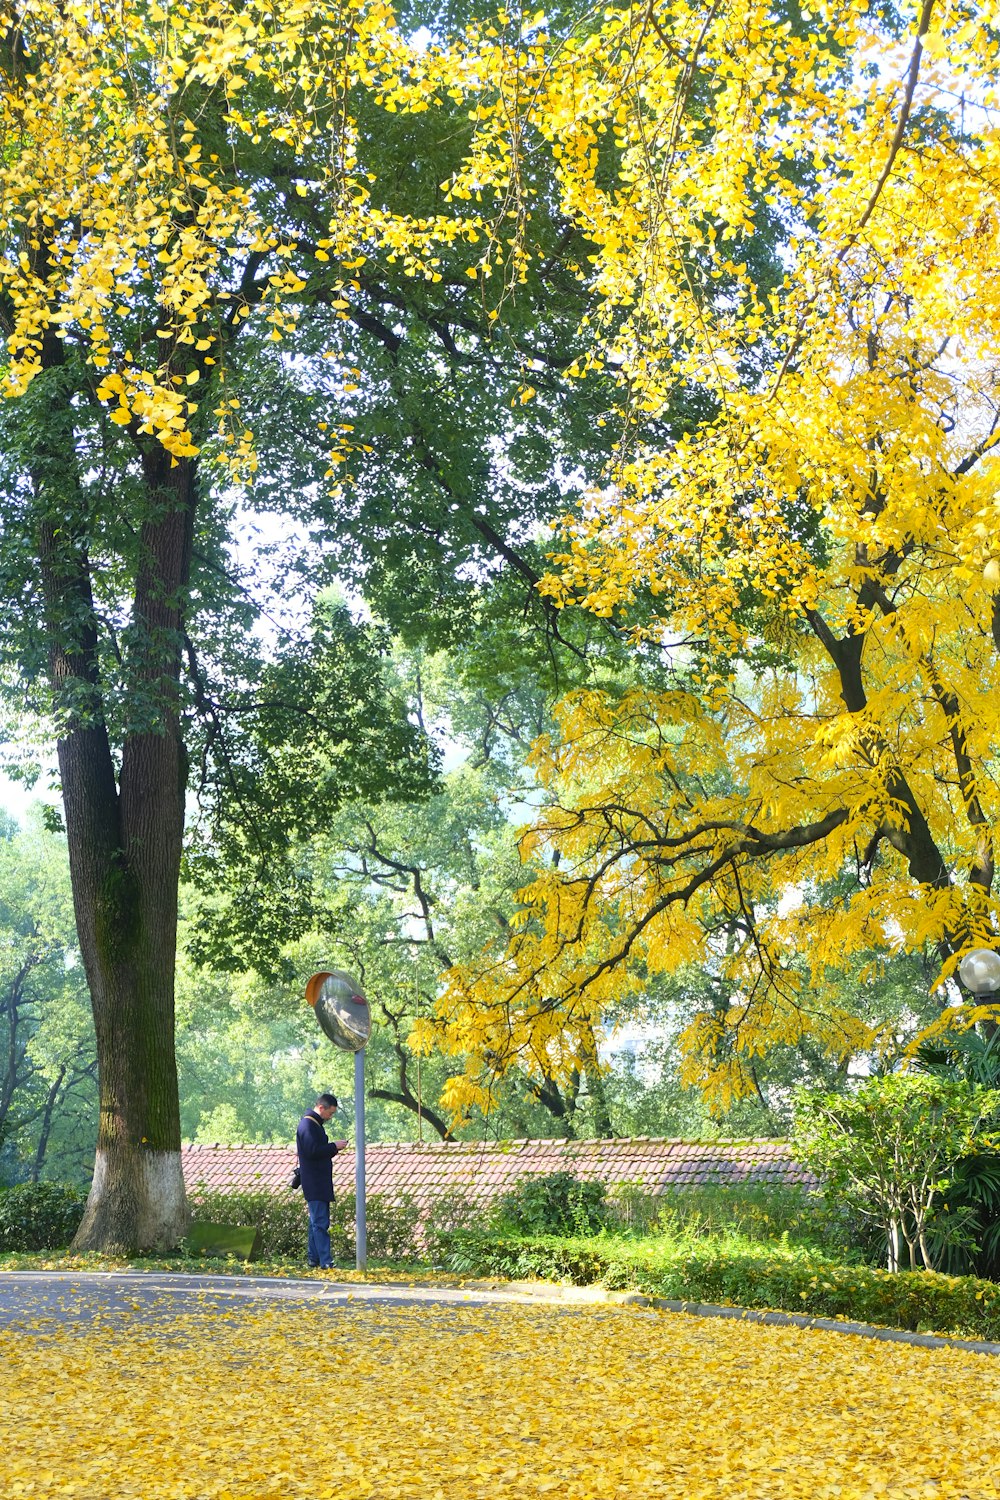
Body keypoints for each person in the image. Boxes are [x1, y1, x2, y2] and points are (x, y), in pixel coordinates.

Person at [296, 1092, 348, 1270]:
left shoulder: (313, 1125)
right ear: (321, 1108)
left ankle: (314, 1258)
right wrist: (334, 1146)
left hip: (318, 1180)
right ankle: (326, 1260)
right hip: (315, 1181)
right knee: (320, 1222)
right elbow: (312, 1151)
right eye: (330, 1113)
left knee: (315, 1222)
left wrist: (332, 1147)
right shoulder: (308, 1125)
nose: (330, 1117)